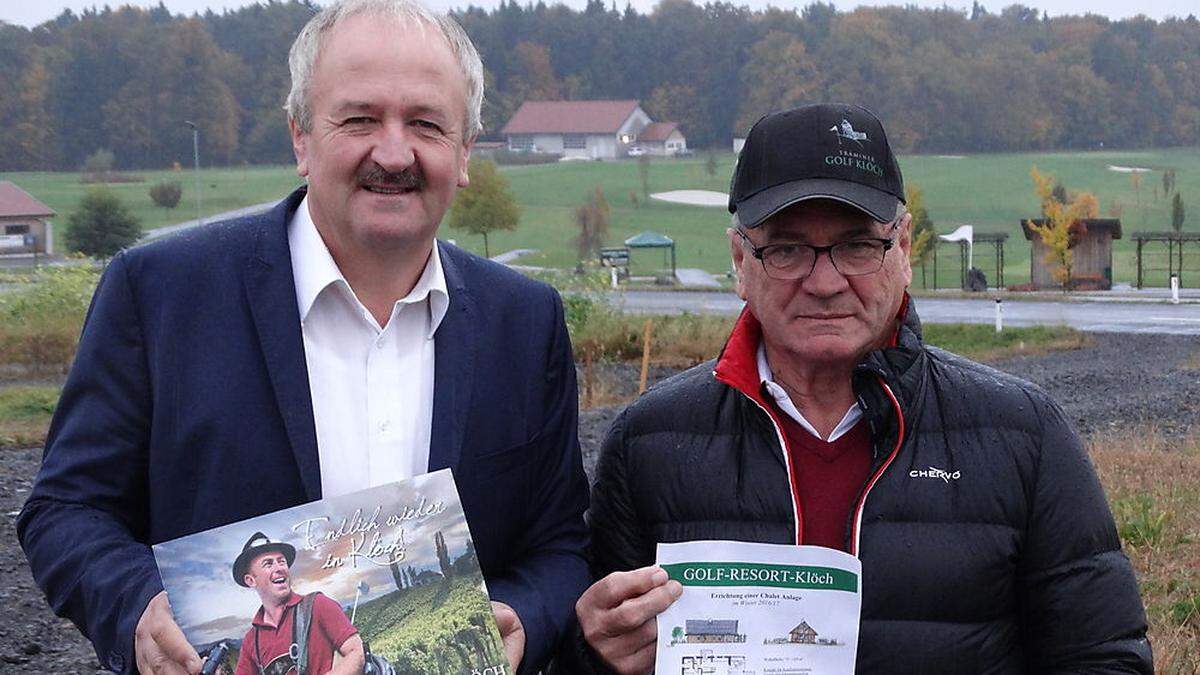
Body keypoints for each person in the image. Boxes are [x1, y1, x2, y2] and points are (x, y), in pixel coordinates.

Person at [17, 1, 589, 674]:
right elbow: (65, 508)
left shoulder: (525, 321)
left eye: (427, 124)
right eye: (360, 118)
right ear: (300, 137)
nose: (394, 152)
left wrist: (522, 615)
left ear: (464, 152)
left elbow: (560, 545)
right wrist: (137, 608)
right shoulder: (161, 293)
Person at [564, 103, 1153, 674]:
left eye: (856, 245)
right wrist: (592, 657)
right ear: (740, 260)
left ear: (902, 249)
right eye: (788, 249)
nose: (825, 282)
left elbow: (1104, 658)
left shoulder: (1023, 434)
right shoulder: (648, 444)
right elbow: (592, 645)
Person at [231, 533, 364, 675]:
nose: (279, 568)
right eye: (268, 564)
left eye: (281, 562)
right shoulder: (251, 640)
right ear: (251, 580)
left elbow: (356, 652)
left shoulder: (319, 605)